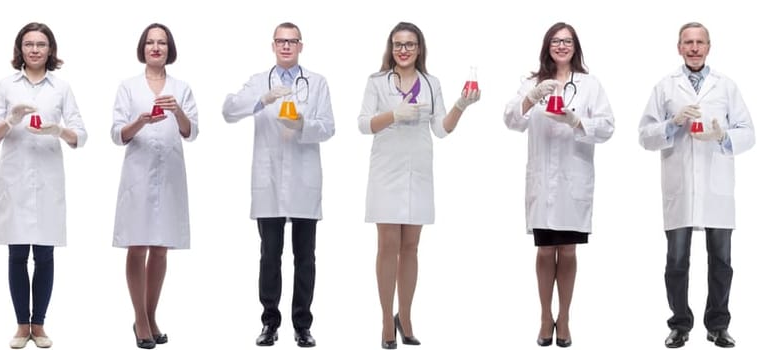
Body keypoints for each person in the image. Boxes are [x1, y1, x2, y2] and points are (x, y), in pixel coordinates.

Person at [356, 22, 479, 350]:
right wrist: (393, 114)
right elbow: (364, 124)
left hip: (419, 171)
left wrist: (461, 106)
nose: (404, 50)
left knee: (410, 247)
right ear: (390, 48)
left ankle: (405, 317)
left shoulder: (431, 83)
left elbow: (441, 129)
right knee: (387, 246)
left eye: (410, 44)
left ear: (419, 48)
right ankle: (386, 320)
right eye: (398, 44)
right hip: (386, 170)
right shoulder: (377, 82)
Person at [637, 22, 753, 349]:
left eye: (700, 42)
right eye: (688, 42)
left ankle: (718, 325)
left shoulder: (726, 86)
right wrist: (673, 125)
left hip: (717, 187)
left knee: (721, 263)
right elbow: (645, 135)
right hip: (680, 188)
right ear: (679, 47)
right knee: (676, 262)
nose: (694, 47)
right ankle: (679, 324)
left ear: (708, 47)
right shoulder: (664, 87)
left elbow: (749, 132)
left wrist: (723, 136)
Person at [220, 22, 335, 348]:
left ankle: (302, 325)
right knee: (269, 255)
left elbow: (328, 127)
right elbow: (228, 110)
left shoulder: (317, 82)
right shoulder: (259, 81)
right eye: (281, 41)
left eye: (292, 41)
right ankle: (270, 323)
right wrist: (263, 98)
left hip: (304, 179)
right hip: (268, 180)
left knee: (305, 257)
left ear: (301, 45)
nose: (286, 46)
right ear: (273, 45)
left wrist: (302, 125)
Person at [502, 22, 615, 348]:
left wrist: (576, 120)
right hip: (542, 180)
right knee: (544, 250)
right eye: (555, 41)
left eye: (567, 41)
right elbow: (511, 120)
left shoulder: (590, 85)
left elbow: (607, 127)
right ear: (547, 46)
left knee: (567, 250)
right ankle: (543, 316)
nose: (561, 46)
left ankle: (563, 318)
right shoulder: (531, 82)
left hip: (573, 180)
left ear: (575, 46)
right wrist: (530, 98)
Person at [0, 21, 86, 350]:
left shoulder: (61, 88)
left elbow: (80, 135)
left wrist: (58, 130)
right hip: (14, 179)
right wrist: (10, 120)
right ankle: (20, 325)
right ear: (20, 49)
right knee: (16, 253)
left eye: (41, 44)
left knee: (44, 254)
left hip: (47, 179)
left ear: (50, 49)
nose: (35, 49)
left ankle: (38, 325)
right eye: (29, 44)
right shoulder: (5, 85)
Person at [111, 22, 199, 350]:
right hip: (138, 172)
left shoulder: (181, 87)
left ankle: (149, 316)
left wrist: (178, 113)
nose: (156, 48)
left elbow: (192, 132)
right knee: (137, 245)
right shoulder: (129, 87)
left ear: (169, 49)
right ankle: (141, 319)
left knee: (161, 247)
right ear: (143, 48)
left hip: (171, 174)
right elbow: (117, 133)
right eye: (150, 42)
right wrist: (141, 121)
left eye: (162, 42)